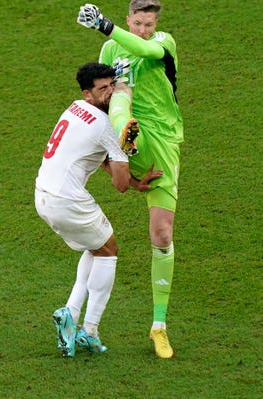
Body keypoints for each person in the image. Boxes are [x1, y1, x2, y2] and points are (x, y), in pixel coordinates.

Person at [77, 0, 182, 359]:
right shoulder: (110, 51)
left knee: (162, 233)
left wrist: (105, 24)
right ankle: (128, 138)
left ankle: (159, 326)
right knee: (119, 91)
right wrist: (109, 158)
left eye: (148, 24)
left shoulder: (161, 43)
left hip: (164, 141)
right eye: (137, 22)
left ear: (155, 25)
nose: (142, 29)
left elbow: (145, 50)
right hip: (127, 136)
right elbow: (99, 102)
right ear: (130, 18)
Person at [34, 62, 162, 357]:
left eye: (111, 86)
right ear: (88, 93)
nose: (109, 94)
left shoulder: (76, 107)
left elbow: (96, 155)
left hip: (43, 194)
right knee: (110, 249)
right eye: (102, 89)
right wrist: (126, 144)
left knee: (96, 248)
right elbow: (117, 183)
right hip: (68, 200)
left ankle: (70, 314)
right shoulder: (108, 126)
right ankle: (89, 331)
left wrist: (134, 182)